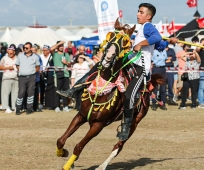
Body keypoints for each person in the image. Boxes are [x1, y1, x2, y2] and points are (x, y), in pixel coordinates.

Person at [57, 3, 177, 141]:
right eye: (138, 11)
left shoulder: (148, 27)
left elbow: (156, 39)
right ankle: (75, 90)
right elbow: (160, 44)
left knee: (129, 95)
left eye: (141, 12)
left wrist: (140, 44)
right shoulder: (143, 28)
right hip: (131, 63)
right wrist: (169, 42)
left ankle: (126, 126)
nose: (138, 14)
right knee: (101, 65)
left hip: (140, 69)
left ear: (148, 16)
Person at [15, 42, 40, 115]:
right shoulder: (20, 56)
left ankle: (29, 108)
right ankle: (18, 108)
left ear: (31, 48)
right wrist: (22, 70)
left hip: (31, 77)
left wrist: (32, 71)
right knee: (21, 92)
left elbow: (37, 67)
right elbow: (17, 65)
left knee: (30, 93)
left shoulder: (35, 57)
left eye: (26, 48)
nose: (25, 49)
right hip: (22, 77)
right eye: (24, 48)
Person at [50, 41, 72, 113]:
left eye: (62, 45)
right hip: (57, 74)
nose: (61, 47)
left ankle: (65, 106)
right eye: (60, 46)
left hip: (66, 74)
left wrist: (66, 63)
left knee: (65, 91)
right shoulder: (55, 54)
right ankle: (57, 106)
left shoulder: (66, 54)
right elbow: (50, 49)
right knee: (57, 91)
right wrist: (59, 43)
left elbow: (69, 65)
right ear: (57, 47)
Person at [0, 45, 18, 113]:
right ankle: (6, 107)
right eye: (8, 53)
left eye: (11, 53)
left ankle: (14, 107)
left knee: (15, 93)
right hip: (7, 77)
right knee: (5, 93)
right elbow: (0, 67)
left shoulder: (17, 58)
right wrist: (8, 68)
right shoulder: (4, 58)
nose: (9, 54)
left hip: (16, 77)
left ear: (14, 52)